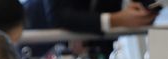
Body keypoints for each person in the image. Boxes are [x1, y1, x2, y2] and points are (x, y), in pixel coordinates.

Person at [24, 0, 158, 35]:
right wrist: (114, 20)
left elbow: (147, 4)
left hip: (99, 45)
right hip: (44, 42)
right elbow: (58, 16)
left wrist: (145, 11)